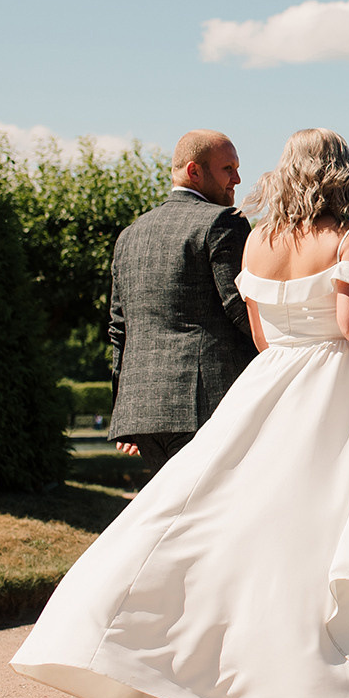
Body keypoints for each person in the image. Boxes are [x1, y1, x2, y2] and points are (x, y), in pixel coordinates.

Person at [12, 128, 349, 698]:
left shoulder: (258, 239)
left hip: (269, 382)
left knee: (225, 511)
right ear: (342, 173)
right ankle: (319, 663)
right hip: (334, 387)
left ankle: (151, 643)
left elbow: (260, 338)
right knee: (323, 524)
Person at [106, 130, 256, 468]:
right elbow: (240, 307)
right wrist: (287, 357)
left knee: (178, 517)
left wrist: (124, 409)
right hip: (207, 405)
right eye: (228, 168)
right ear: (194, 171)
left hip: (141, 413)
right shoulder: (223, 222)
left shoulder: (130, 234)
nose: (237, 178)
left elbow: (119, 329)